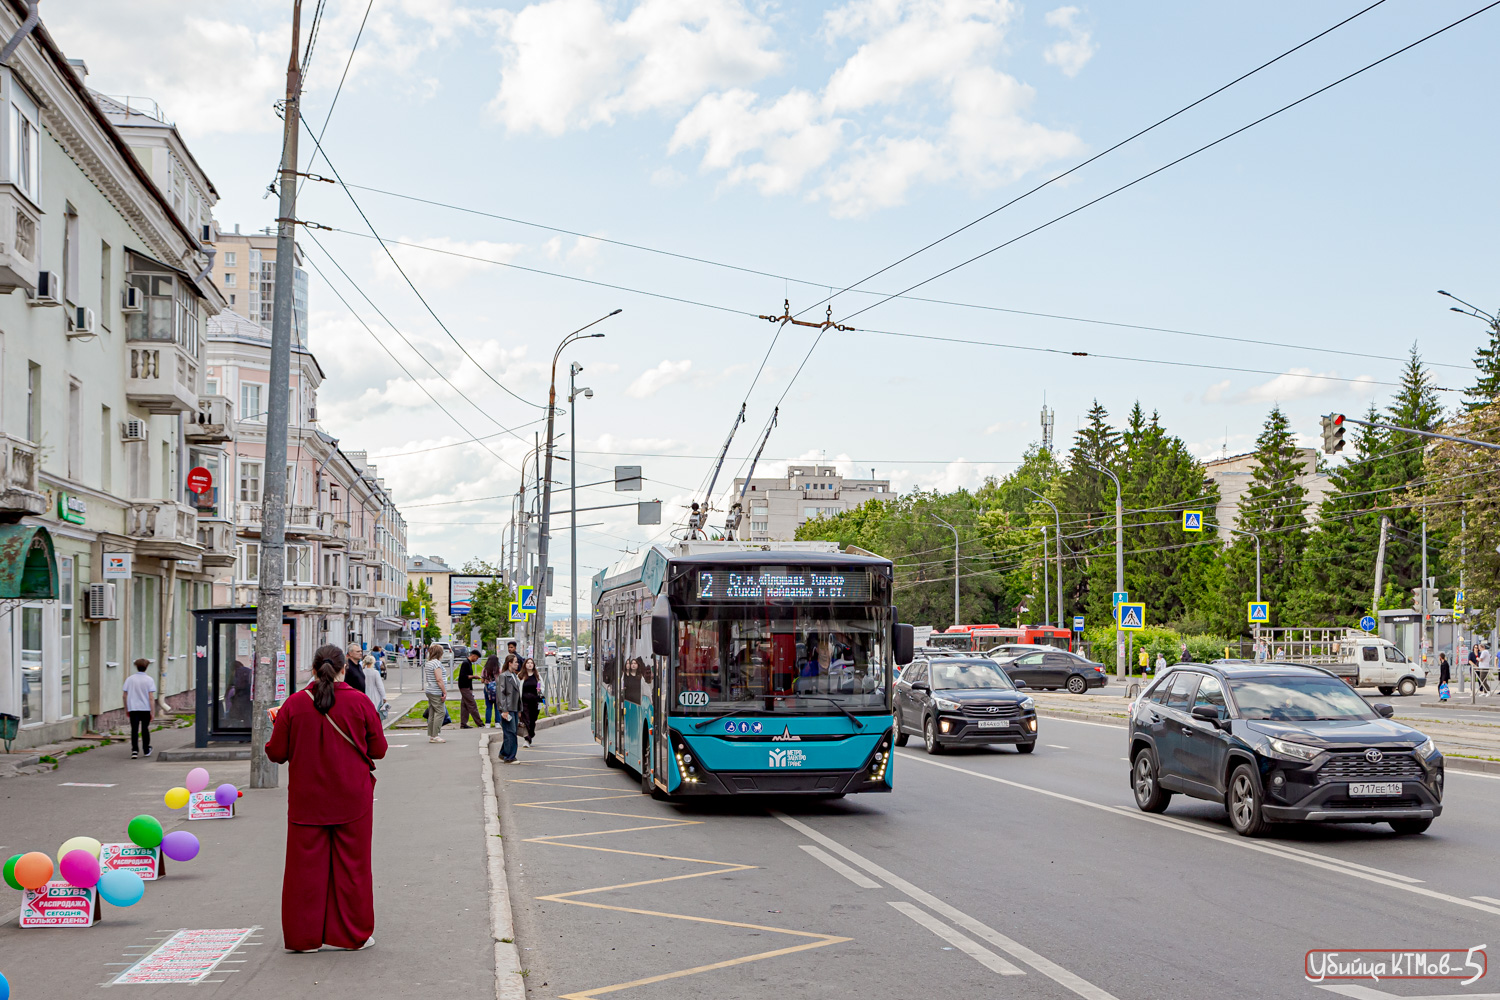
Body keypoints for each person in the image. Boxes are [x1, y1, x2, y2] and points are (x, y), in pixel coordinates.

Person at [266, 644, 388, 953]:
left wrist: (279, 726)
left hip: (307, 801)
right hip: (352, 798)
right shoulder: (359, 703)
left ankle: (304, 938)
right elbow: (379, 750)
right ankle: (353, 935)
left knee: (304, 870)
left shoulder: (293, 705)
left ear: (313, 668)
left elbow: (277, 753)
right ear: (344, 667)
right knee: (353, 867)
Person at [122, 658, 157, 759]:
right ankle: (146, 749)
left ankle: (134, 751)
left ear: (136, 667)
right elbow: (151, 697)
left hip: (133, 708)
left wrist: (126, 709)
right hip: (145, 708)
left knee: (134, 729)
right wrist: (152, 711)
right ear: (146, 667)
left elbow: (124, 695)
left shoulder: (130, 679)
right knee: (145, 729)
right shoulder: (149, 680)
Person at [497, 655, 522, 762]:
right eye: (515, 662)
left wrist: (519, 710)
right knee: (510, 732)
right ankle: (510, 757)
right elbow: (501, 694)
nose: (517, 664)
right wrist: (504, 710)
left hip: (515, 708)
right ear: (509, 663)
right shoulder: (504, 676)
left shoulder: (514, 676)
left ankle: (503, 753)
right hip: (508, 708)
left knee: (512, 731)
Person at [423, 643, 448, 744]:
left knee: (432, 713)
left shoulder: (428, 663)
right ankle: (436, 735)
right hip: (436, 691)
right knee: (441, 712)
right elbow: (439, 679)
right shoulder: (437, 664)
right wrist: (444, 692)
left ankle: (432, 735)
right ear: (439, 653)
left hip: (430, 690)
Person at [458, 650, 484, 729]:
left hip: (467, 686)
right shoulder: (465, 663)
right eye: (476, 658)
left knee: (465, 706)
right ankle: (480, 723)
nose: (476, 660)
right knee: (472, 705)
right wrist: (474, 676)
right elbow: (464, 676)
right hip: (464, 686)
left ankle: (463, 724)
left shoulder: (468, 663)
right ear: (473, 655)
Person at [520, 658, 543, 746]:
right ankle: (527, 738)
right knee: (526, 719)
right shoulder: (521, 676)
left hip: (535, 701)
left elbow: (542, 686)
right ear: (525, 665)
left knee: (533, 719)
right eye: (528, 663)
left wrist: (540, 689)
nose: (530, 664)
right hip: (524, 701)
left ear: (533, 665)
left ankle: (531, 733)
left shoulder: (537, 676)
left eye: (531, 663)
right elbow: (518, 688)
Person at [483, 654, 502, 727]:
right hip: (496, 688)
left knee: (488, 706)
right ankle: (497, 722)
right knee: (497, 706)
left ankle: (487, 723)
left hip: (487, 688)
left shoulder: (485, 669)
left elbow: (482, 680)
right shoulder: (498, 669)